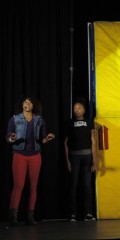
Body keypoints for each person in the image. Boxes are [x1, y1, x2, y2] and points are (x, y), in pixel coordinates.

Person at [6, 96, 55, 226]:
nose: (27, 103)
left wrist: (47, 138)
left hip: (35, 155)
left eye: (29, 102)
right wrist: (12, 138)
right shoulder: (15, 119)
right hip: (19, 155)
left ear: (33, 106)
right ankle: (13, 217)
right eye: (25, 102)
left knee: (33, 186)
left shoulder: (39, 120)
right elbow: (8, 138)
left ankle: (30, 216)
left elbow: (42, 139)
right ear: (22, 105)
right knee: (18, 186)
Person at [64, 97, 96, 221]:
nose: (76, 110)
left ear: (84, 110)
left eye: (79, 108)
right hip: (74, 157)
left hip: (87, 157)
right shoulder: (69, 123)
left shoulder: (89, 122)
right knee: (73, 185)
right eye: (74, 108)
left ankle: (88, 213)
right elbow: (65, 142)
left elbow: (93, 141)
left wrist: (95, 159)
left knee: (87, 185)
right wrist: (67, 160)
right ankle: (73, 213)